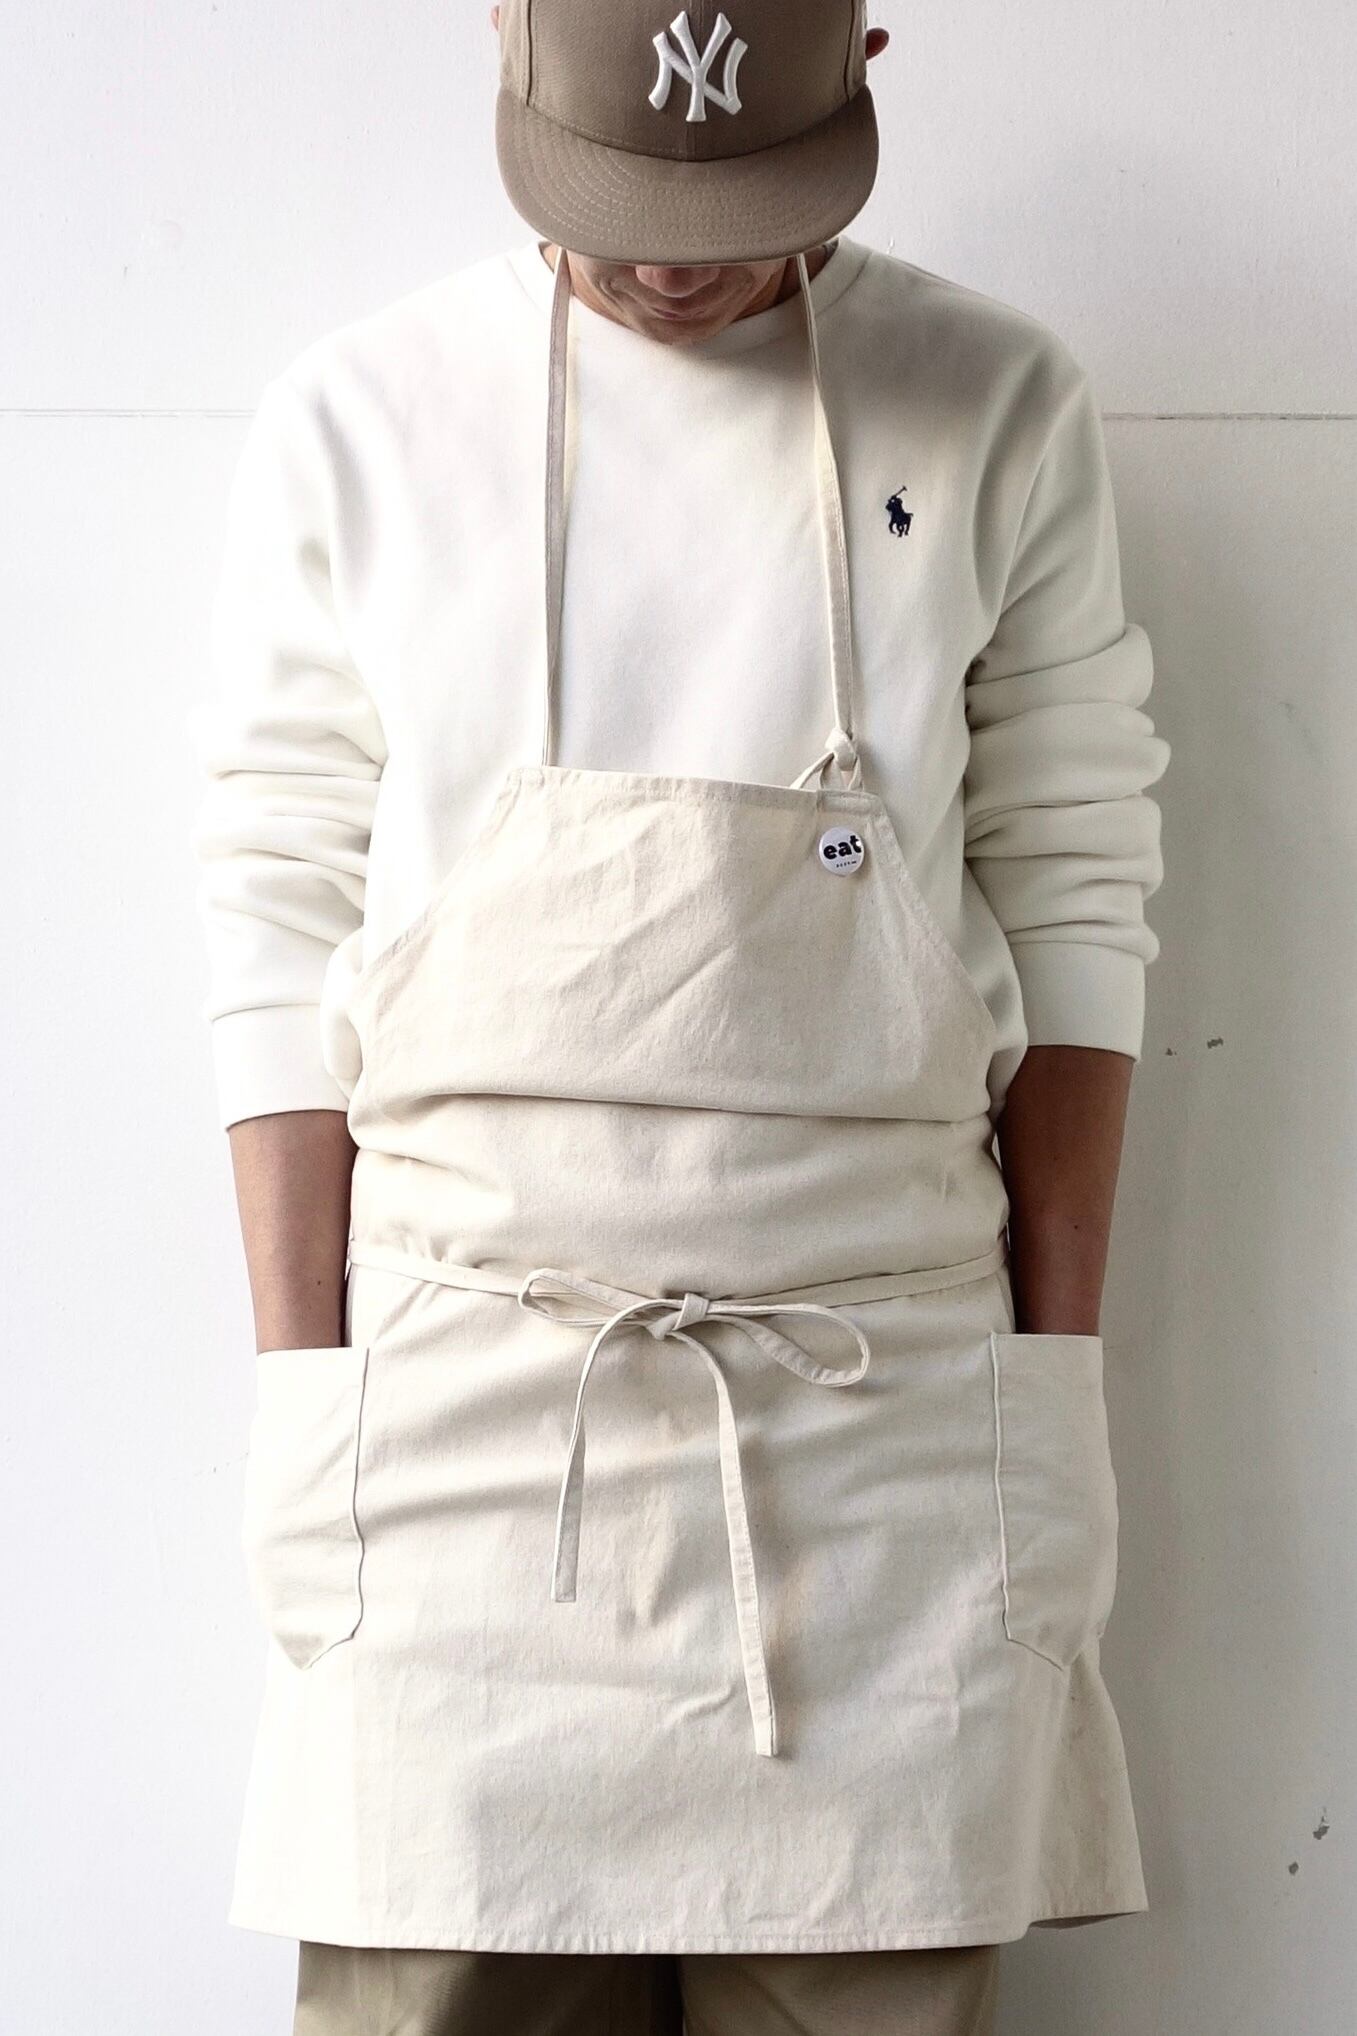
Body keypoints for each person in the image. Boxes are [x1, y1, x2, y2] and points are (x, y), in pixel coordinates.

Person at [191, 2, 1171, 2030]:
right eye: (616, 198)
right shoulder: (360, 420)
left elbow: (1074, 890)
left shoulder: (993, 403)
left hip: (879, 1423)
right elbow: (276, 915)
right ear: (509, 55)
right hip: (467, 1418)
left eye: (736, 205)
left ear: (865, 60)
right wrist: (305, 1388)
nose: (667, 264)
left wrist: (1052, 1378)